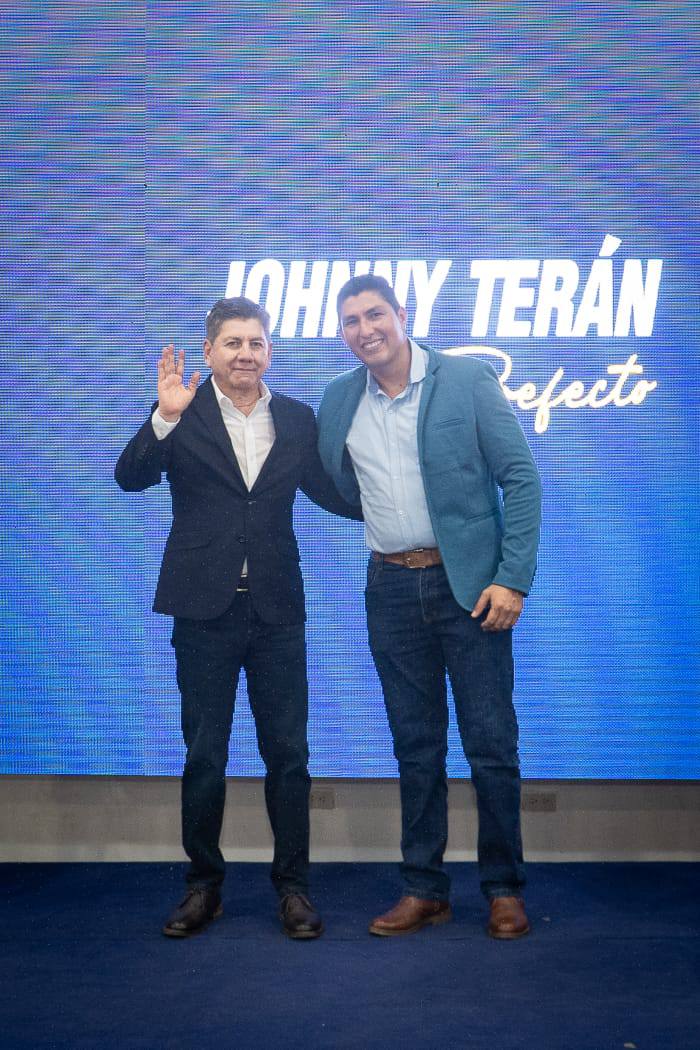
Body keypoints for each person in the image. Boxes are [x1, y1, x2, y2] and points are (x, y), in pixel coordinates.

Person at [115, 296, 361, 940]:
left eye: (256, 342)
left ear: (269, 351)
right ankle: (204, 886)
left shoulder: (297, 419)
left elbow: (336, 494)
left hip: (277, 610)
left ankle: (294, 888)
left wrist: (415, 504)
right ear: (209, 351)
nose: (245, 354)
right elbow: (130, 477)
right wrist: (164, 417)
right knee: (205, 753)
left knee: (290, 755)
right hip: (204, 610)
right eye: (232, 343)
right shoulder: (183, 411)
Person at [317, 274, 541, 939]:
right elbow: (340, 485)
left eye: (374, 314)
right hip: (389, 589)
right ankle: (424, 888)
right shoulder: (338, 399)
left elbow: (521, 478)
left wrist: (512, 579)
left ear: (401, 314)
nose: (365, 330)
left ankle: (503, 889)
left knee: (490, 745)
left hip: (469, 590)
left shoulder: (466, 380)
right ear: (343, 333)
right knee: (415, 748)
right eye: (351, 321)